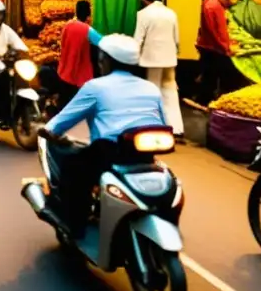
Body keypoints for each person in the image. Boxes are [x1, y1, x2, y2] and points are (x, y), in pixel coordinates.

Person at [41, 34, 167, 237]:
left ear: (106, 61)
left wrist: (49, 130)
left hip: (109, 154)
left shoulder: (96, 87)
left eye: (101, 58)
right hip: (146, 155)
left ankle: (72, 224)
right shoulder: (151, 88)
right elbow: (163, 122)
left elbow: (62, 121)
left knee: (72, 169)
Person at [134, 0, 183, 139]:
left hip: (151, 60)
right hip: (169, 59)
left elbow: (138, 39)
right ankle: (176, 128)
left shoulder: (143, 14)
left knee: (153, 92)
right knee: (170, 92)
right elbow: (176, 39)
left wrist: (133, 56)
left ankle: (153, 125)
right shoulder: (171, 13)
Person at [195, 0, 237, 104]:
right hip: (212, 48)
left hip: (213, 46)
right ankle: (204, 101)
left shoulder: (216, 4)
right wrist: (226, 48)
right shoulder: (213, 6)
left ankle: (205, 100)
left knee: (211, 76)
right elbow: (215, 32)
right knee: (211, 76)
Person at [57, 0, 102, 107]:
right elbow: (102, 42)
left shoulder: (67, 25)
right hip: (80, 72)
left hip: (65, 69)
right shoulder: (88, 30)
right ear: (88, 14)